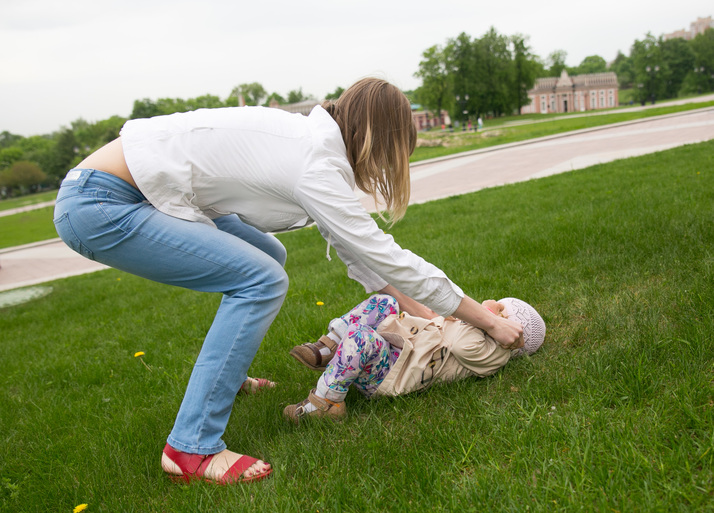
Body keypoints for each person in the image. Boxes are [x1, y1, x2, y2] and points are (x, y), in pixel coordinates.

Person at [53, 77, 524, 485]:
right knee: (262, 280)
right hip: (101, 204)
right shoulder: (314, 162)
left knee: (268, 255)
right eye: (391, 156)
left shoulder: (311, 140)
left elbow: (356, 251)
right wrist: (487, 321)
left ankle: (223, 378)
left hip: (134, 192)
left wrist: (428, 314)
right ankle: (190, 448)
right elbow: (385, 255)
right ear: (377, 139)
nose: (384, 168)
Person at [284, 293, 545, 422]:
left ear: (512, 336)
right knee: (384, 302)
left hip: (390, 376)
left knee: (361, 338)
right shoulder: (482, 334)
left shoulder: (495, 355)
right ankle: (328, 347)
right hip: (398, 351)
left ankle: (327, 403)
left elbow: (461, 345)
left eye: (500, 311)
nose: (489, 310)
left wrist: (485, 314)